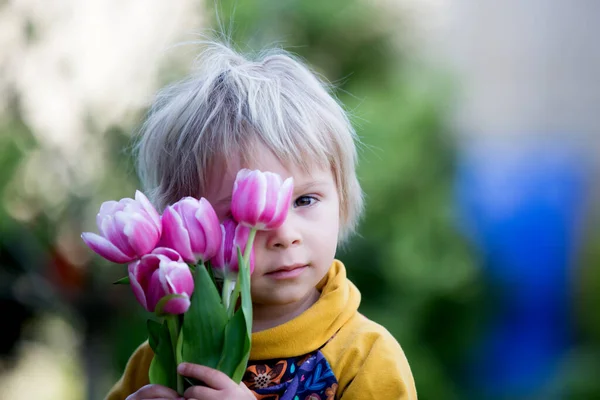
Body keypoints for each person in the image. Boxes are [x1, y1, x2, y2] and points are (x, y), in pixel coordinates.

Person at [106, 40, 417, 400]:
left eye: (305, 200)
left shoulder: (364, 357)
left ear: (342, 200)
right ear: (184, 229)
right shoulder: (168, 353)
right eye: (240, 214)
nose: (284, 235)